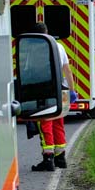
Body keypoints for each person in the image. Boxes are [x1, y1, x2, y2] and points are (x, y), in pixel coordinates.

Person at [29, 21, 73, 171]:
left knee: (45, 123)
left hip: (44, 90)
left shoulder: (34, 48)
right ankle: (60, 158)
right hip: (61, 89)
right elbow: (67, 70)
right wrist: (71, 91)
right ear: (47, 31)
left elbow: (30, 72)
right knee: (58, 122)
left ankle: (48, 158)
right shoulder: (59, 46)